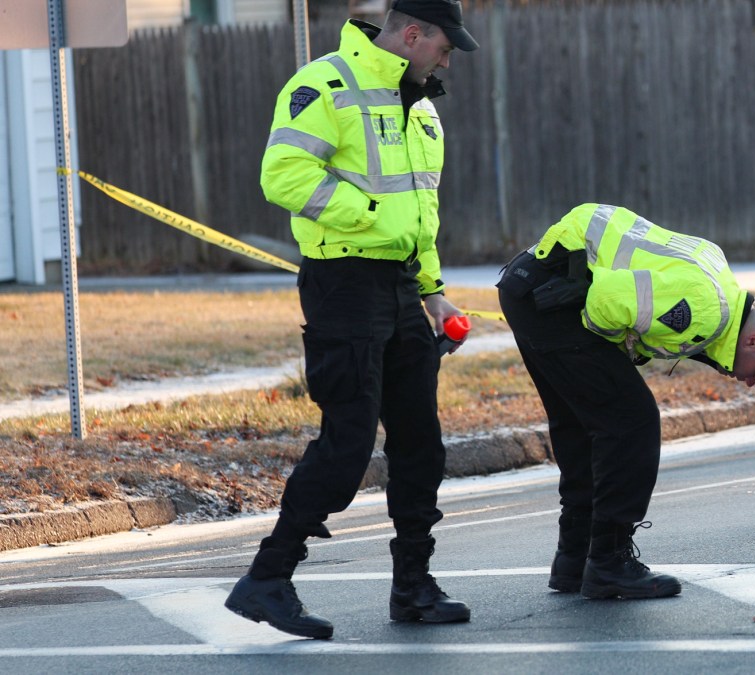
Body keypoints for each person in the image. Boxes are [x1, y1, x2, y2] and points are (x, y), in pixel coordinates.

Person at [224, 0, 478, 640]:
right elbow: (282, 175)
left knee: (422, 444)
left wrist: (432, 290)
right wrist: (369, 216)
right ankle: (267, 579)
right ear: (413, 34)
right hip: (342, 283)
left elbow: (422, 215)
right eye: (445, 48)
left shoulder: (420, 107)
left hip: (398, 289)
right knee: (348, 444)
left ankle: (413, 587)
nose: (448, 61)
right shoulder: (325, 85)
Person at [496, 204, 755, 599]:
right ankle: (608, 562)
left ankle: (575, 559)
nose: (749, 382)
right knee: (633, 421)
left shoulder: (719, 282)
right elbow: (605, 302)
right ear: (753, 341)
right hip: (552, 298)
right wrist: (619, 348)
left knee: (583, 424)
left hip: (529, 286)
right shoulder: (707, 311)